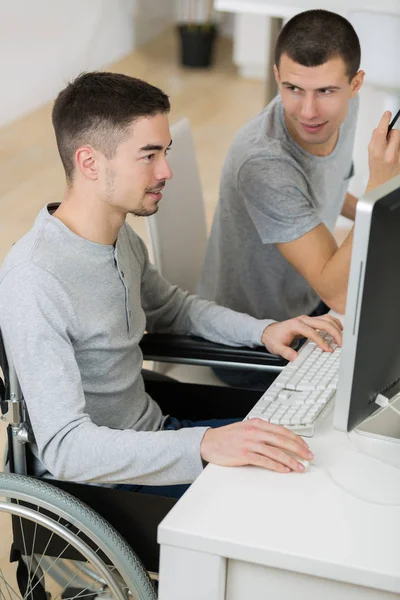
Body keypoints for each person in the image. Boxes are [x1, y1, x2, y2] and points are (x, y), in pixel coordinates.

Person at [0, 72, 343, 498]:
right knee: (293, 491)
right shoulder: (34, 280)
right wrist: (203, 444)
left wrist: (263, 331)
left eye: (166, 151)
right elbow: (66, 448)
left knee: (310, 455)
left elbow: (175, 310)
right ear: (89, 163)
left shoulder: (119, 237)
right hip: (108, 485)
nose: (166, 170)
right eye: (148, 155)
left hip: (156, 438)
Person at [198, 9, 400, 322]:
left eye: (326, 91)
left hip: (309, 301)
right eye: (293, 89)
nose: (308, 112)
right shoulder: (263, 163)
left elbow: (322, 192)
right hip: (257, 338)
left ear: (355, 85)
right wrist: (379, 187)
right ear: (277, 75)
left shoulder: (345, 109)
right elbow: (339, 296)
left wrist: (384, 214)